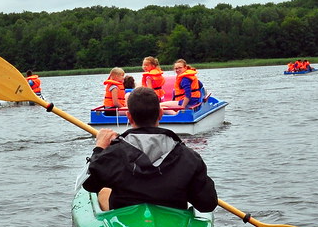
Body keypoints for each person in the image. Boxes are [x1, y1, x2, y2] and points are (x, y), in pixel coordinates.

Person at [81, 87, 217, 213]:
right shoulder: (189, 157)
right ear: (161, 114)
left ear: (129, 116)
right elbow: (207, 204)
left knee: (104, 191)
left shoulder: (112, 154)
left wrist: (99, 148)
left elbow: (89, 184)